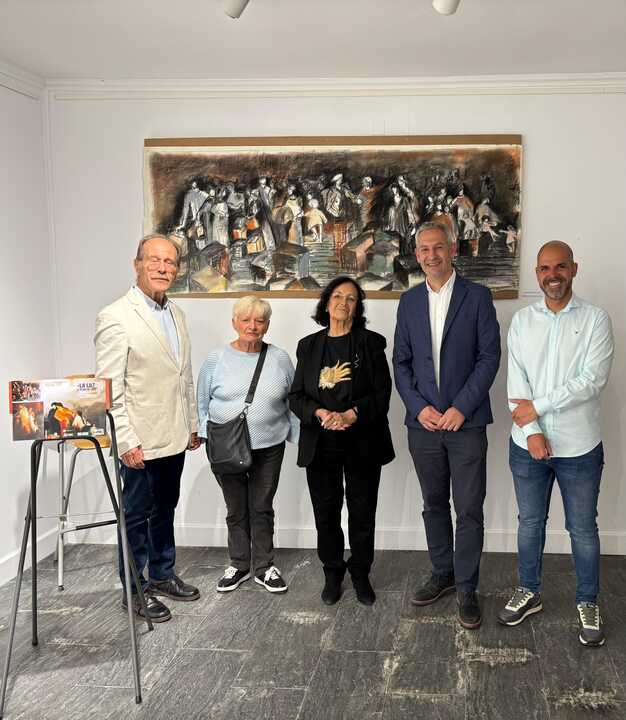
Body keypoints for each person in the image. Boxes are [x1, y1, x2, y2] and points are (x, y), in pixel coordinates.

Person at [498, 241, 614, 647]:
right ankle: (529, 591)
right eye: (545, 268)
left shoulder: (596, 320)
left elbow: (591, 381)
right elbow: (517, 381)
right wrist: (532, 430)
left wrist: (538, 407)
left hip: (579, 446)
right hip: (526, 445)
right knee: (530, 523)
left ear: (574, 269)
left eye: (560, 267)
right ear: (537, 274)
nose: (553, 275)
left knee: (582, 528)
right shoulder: (522, 321)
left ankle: (588, 601)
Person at [393, 221, 501, 629]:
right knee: (433, 503)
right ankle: (443, 573)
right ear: (417, 255)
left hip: (466, 424)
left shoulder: (478, 297)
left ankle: (468, 587)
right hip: (423, 425)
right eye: (424, 249)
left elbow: (489, 358)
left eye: (438, 247)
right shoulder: (408, 302)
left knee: (469, 509)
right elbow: (401, 362)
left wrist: (461, 408)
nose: (431, 255)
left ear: (452, 250)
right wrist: (418, 407)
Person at [95, 234, 201, 623]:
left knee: (165, 510)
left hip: (173, 435)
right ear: (137, 264)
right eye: (154, 260)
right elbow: (109, 390)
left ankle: (161, 573)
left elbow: (183, 376)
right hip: (139, 440)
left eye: (170, 262)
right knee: (136, 516)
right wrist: (125, 440)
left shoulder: (177, 314)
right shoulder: (115, 317)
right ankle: (135, 589)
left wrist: (192, 424)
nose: (162, 268)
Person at [289, 277, 394, 606]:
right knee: (326, 512)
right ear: (326, 302)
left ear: (357, 307)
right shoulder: (308, 346)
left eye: (351, 298)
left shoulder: (371, 343)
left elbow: (382, 394)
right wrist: (320, 412)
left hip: (362, 441)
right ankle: (332, 572)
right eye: (337, 296)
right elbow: (296, 396)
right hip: (320, 443)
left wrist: (351, 414)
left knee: (362, 512)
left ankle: (360, 573)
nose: (343, 303)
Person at [197, 296, 298, 593]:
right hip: (226, 445)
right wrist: (202, 434)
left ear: (267, 324)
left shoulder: (280, 358)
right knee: (236, 508)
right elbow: (202, 402)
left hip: (270, 446)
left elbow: (293, 400)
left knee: (261, 507)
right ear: (234, 323)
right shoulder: (216, 359)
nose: (252, 326)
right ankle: (240, 564)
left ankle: (264, 567)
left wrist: (298, 437)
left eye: (259, 320)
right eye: (246, 320)